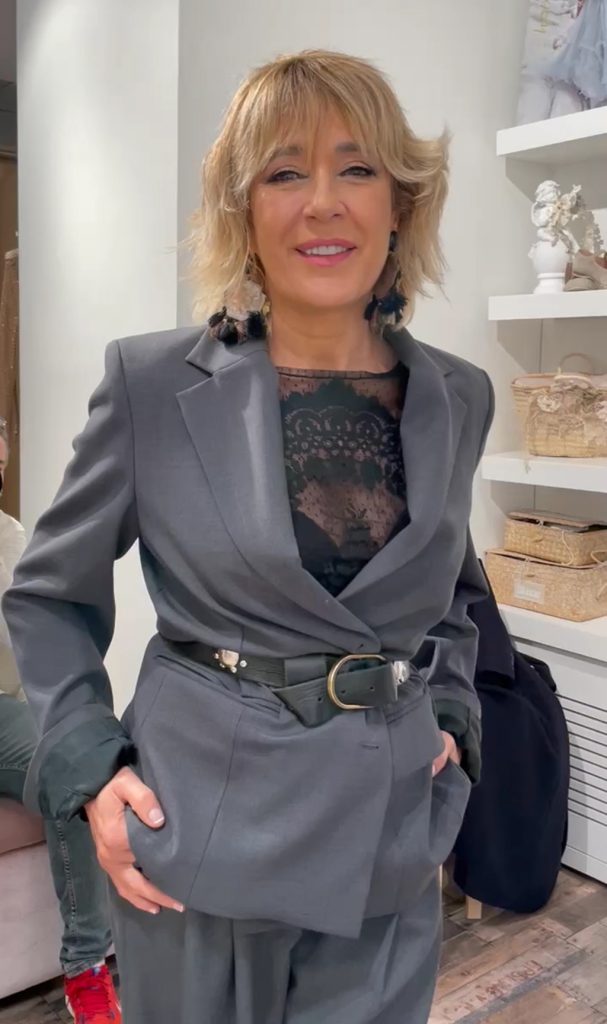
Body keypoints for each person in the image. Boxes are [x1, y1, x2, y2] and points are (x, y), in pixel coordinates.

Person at [3, 50, 494, 1024]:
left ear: (400, 202)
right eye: (283, 172)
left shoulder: (459, 395)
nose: (322, 203)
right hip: (202, 838)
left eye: (356, 168)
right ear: (242, 210)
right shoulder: (152, 386)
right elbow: (49, 594)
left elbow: (451, 590)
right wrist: (90, 765)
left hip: (390, 839)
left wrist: (451, 713)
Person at [0, 419, 121, 1024]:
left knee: (78, 771)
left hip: (2, 708)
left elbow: (29, 640)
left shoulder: (10, 535)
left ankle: (86, 967)